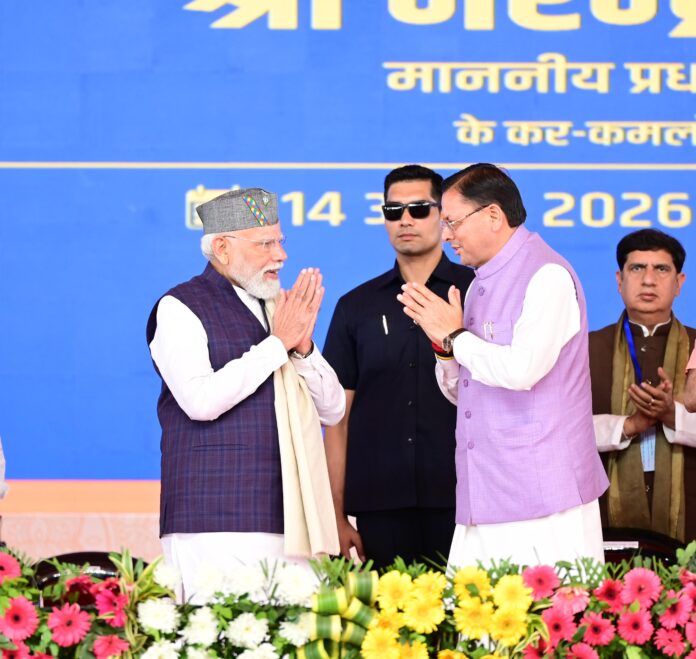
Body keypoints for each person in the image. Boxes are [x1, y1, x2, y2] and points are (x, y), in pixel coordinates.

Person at [397, 163, 608, 567]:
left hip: (544, 496)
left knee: (547, 606)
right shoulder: (479, 283)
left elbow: (521, 370)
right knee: (475, 607)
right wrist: (445, 348)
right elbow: (465, 392)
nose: (446, 235)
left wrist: (456, 336)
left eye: (452, 222)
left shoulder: (546, 274)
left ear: (493, 215)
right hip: (484, 489)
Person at [146, 187, 344, 599]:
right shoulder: (180, 306)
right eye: (265, 244)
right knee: (222, 631)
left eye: (280, 242)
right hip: (214, 520)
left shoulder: (278, 309)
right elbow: (200, 401)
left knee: (295, 632)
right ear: (222, 247)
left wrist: (302, 348)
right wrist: (277, 344)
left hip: (294, 517)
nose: (281, 255)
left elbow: (333, 409)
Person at [323, 165, 474, 569]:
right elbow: (337, 419)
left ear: (443, 216)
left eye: (419, 209)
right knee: (385, 612)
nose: (405, 220)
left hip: (466, 499)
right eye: (394, 210)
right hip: (379, 505)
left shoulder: (475, 292)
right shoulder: (356, 307)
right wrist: (335, 515)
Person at [590, 229, 696, 542]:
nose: (648, 280)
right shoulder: (585, 348)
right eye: (637, 268)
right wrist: (629, 425)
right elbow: (560, 431)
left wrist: (673, 416)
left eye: (661, 269)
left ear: (679, 283)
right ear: (619, 280)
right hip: (602, 509)